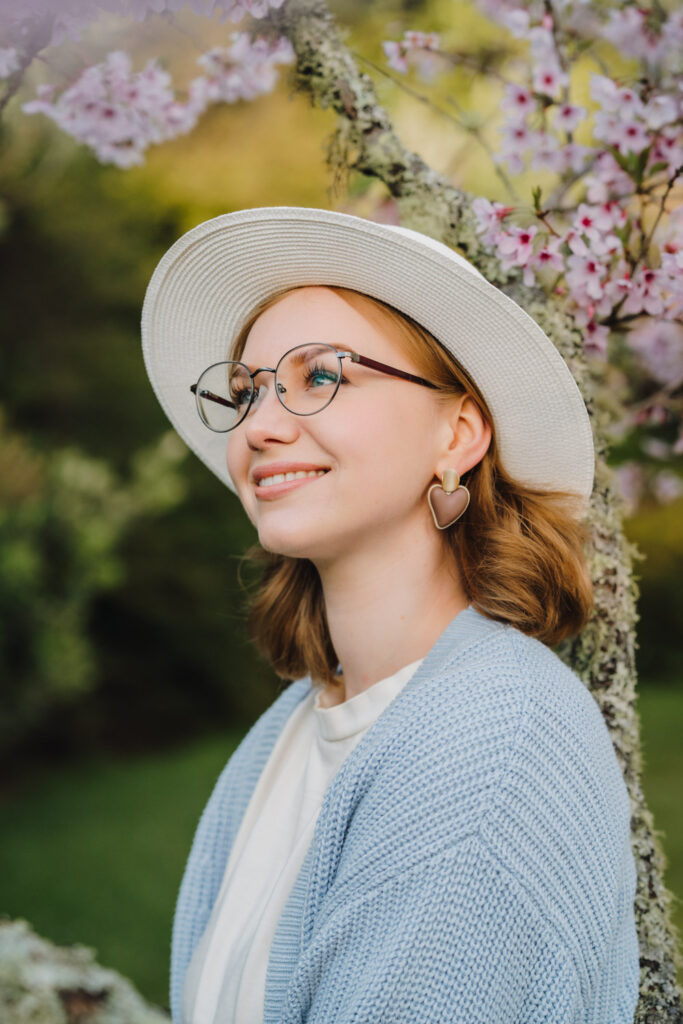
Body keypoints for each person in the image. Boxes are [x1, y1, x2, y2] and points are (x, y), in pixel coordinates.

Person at [141, 206, 640, 1024]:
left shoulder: (490, 739)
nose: (260, 426)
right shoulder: (300, 725)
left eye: (320, 376)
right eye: (246, 391)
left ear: (460, 432)